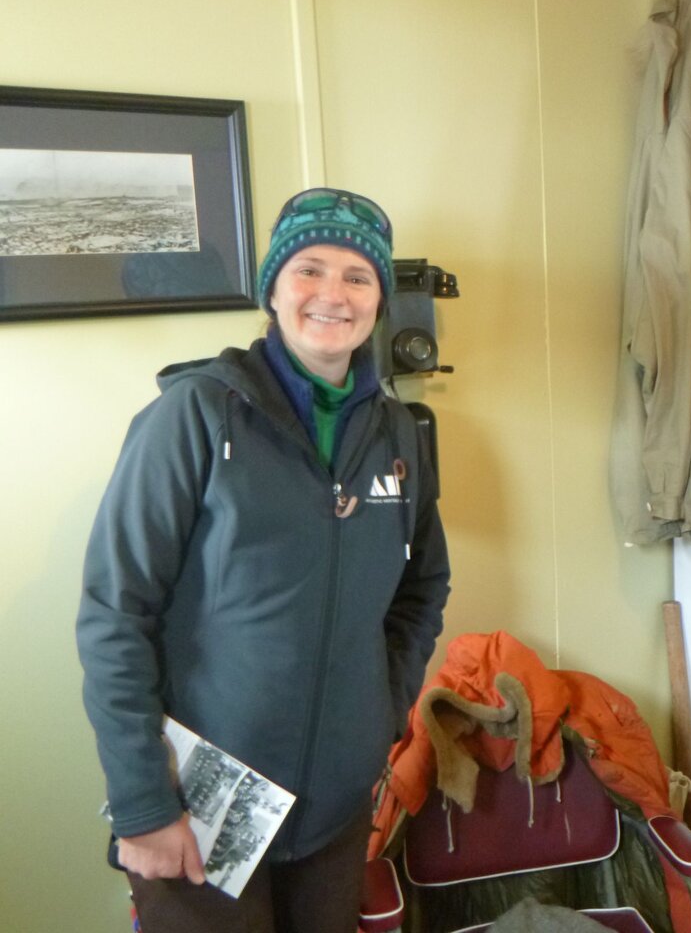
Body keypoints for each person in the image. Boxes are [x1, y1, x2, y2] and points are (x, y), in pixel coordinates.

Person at [76, 187, 451, 933]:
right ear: (274, 288)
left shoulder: (397, 433)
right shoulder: (193, 415)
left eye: (357, 277)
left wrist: (380, 709)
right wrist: (145, 804)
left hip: (335, 812)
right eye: (309, 269)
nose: (332, 296)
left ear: (379, 298)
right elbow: (116, 615)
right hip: (201, 803)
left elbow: (423, 585)